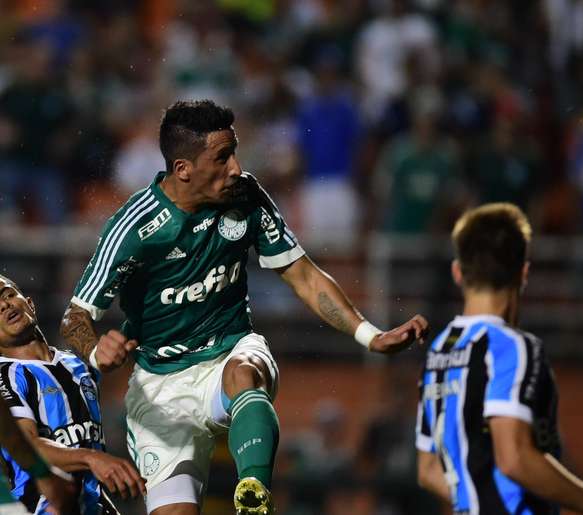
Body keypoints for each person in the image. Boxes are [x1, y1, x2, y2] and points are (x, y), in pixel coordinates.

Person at [59, 99, 428, 515]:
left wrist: (371, 335)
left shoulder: (246, 195)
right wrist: (93, 350)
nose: (235, 167)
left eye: (234, 151)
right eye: (222, 157)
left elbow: (303, 275)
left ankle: (253, 494)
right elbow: (76, 315)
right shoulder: (135, 227)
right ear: (183, 169)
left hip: (230, 351)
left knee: (244, 374)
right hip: (161, 387)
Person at [415, 203, 583, 515]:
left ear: (457, 272)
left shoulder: (440, 349)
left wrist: (477, 502)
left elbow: (428, 470)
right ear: (524, 272)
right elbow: (514, 457)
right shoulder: (512, 347)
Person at [0, 274, 146, 514]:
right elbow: (26, 443)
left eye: (8, 295)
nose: (4, 305)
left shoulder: (76, 364)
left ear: (30, 303)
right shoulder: (6, 376)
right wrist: (91, 458)